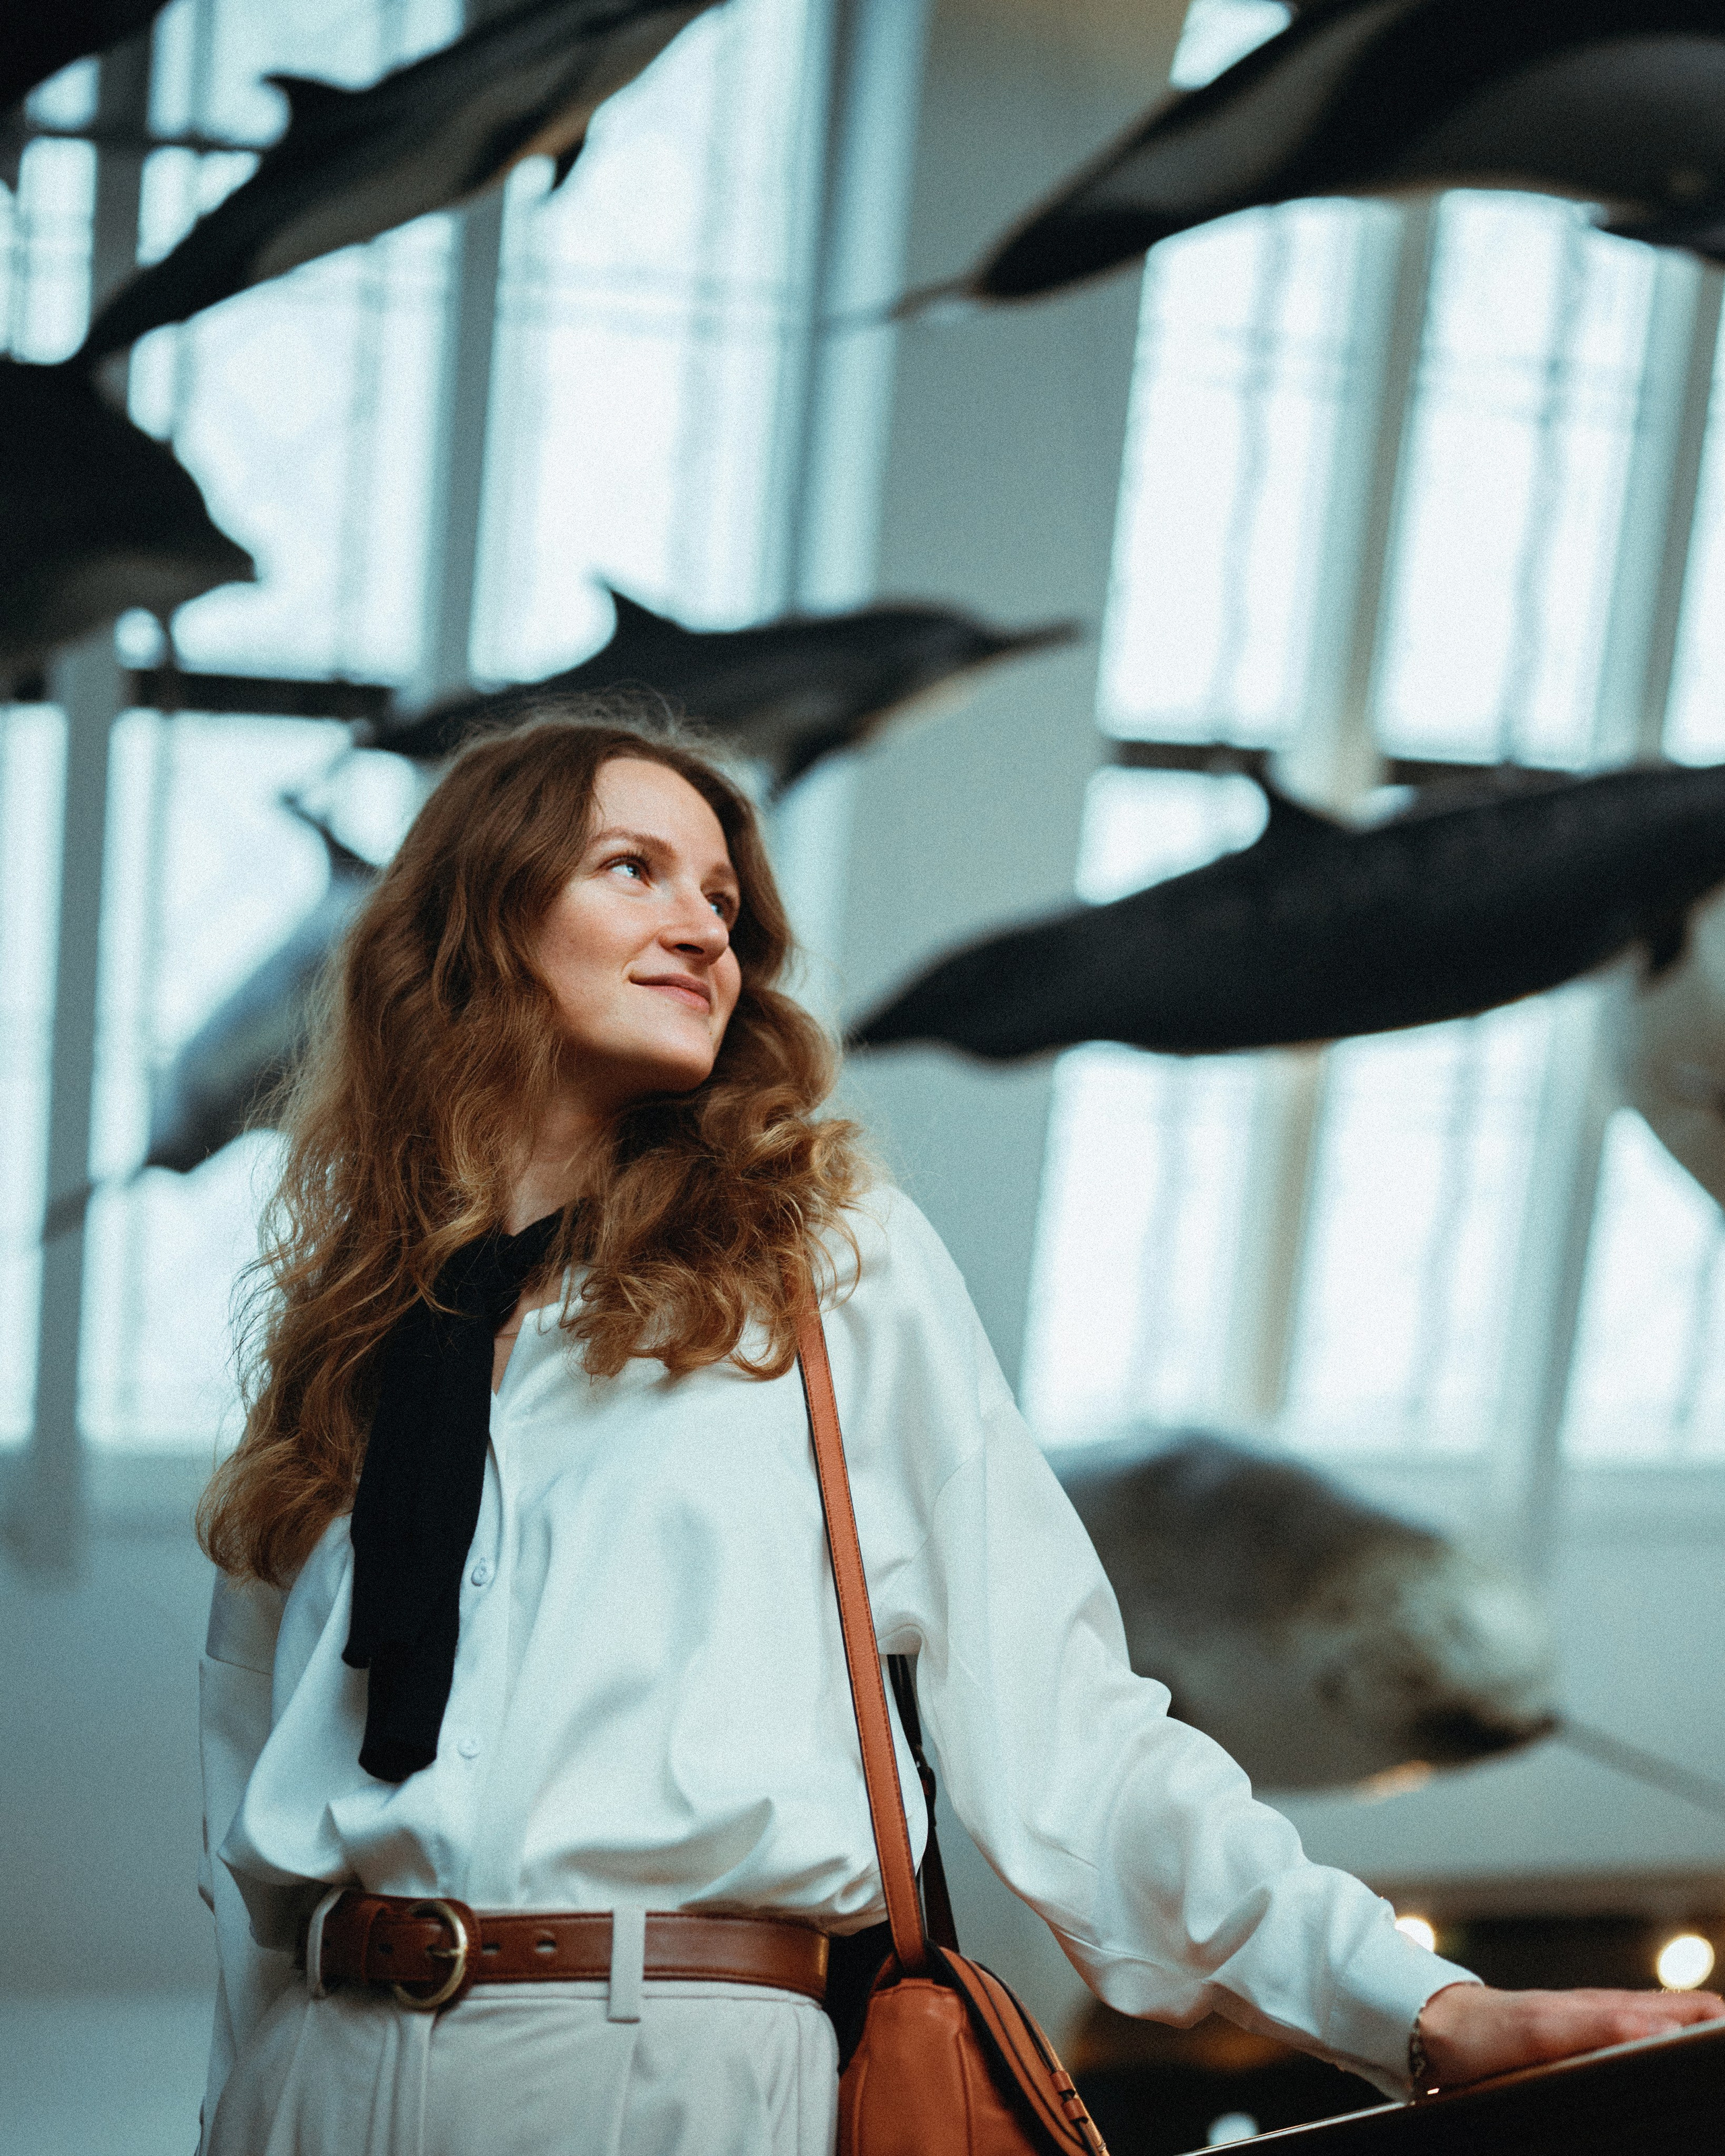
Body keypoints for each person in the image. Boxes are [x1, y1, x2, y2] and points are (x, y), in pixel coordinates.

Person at [194, 710, 1721, 2156]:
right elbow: (241, 1832)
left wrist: (1423, 2010)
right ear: (477, 922)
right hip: (314, 2069)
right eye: (632, 869)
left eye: (724, 895)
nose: (704, 925)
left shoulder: (821, 1263)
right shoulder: (340, 1348)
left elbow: (1072, 1733)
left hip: (668, 2064)